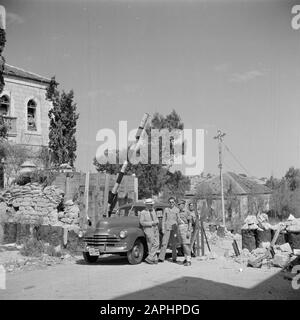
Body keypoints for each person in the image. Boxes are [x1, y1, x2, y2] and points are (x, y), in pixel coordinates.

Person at [158, 196, 179, 263]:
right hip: (167, 228)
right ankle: (161, 258)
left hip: (174, 228)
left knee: (174, 243)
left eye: (172, 202)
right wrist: (163, 228)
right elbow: (163, 219)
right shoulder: (166, 209)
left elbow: (178, 219)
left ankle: (174, 258)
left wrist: (178, 228)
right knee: (164, 243)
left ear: (174, 202)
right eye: (170, 202)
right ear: (168, 203)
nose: (171, 203)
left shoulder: (177, 210)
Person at [139, 198, 160, 264]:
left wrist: (156, 222)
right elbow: (142, 222)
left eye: (152, 204)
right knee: (150, 244)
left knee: (157, 243)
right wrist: (151, 223)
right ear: (147, 205)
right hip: (148, 229)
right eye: (150, 205)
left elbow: (156, 218)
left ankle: (150, 257)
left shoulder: (153, 210)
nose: (151, 206)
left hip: (155, 228)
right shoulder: (143, 212)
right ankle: (154, 258)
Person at [177, 199, 192, 266]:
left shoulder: (187, 212)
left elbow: (190, 222)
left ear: (183, 205)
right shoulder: (178, 212)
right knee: (183, 245)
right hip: (180, 229)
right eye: (178, 205)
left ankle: (188, 260)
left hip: (185, 229)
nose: (179, 206)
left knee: (186, 245)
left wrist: (189, 231)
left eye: (180, 204)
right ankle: (186, 258)